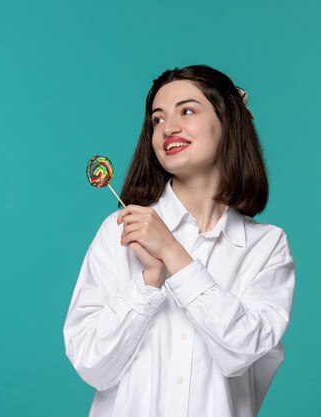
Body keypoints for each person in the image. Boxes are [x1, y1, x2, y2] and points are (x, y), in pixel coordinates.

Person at [63, 65, 295, 417]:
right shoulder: (120, 231)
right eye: (157, 119)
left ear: (229, 122)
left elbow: (242, 351)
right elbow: (90, 363)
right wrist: (148, 282)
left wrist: (172, 252)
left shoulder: (266, 246)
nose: (168, 128)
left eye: (187, 111)